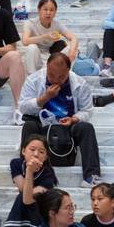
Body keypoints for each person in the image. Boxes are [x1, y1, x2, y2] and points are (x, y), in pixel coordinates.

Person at [18, 52, 104, 186]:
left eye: (61, 76)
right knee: (29, 125)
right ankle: (25, 173)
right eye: (51, 75)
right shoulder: (33, 80)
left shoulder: (80, 84)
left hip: (68, 126)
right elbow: (23, 107)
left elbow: (87, 110)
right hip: (42, 125)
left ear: (68, 71)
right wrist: (45, 97)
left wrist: (74, 119)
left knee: (86, 128)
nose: (56, 80)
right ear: (47, 67)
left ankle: (91, 175)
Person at [20, 0, 78, 73]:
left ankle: (65, 74)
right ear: (39, 10)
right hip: (35, 57)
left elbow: (73, 37)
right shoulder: (30, 23)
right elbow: (25, 41)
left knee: (74, 49)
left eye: (51, 10)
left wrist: (72, 52)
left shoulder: (56, 24)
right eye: (45, 9)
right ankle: (32, 77)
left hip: (50, 57)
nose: (48, 13)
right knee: (32, 47)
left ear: (55, 12)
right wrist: (45, 36)